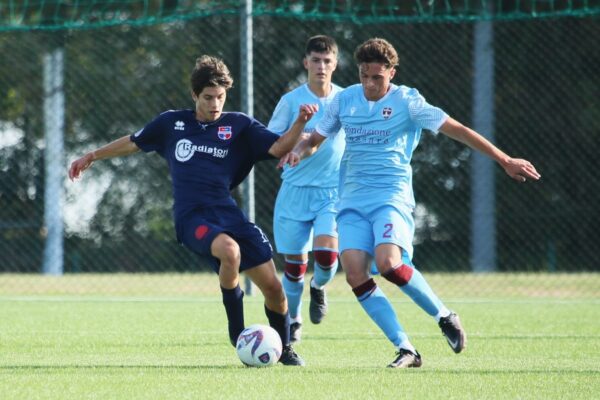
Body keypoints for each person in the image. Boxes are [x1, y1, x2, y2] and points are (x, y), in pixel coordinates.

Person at [280, 38, 541, 368]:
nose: (370, 84)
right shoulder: (345, 100)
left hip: (391, 198)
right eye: (364, 76)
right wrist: (298, 151)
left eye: (377, 77)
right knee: (355, 273)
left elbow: (457, 130)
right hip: (351, 202)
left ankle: (444, 315)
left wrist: (503, 159)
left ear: (392, 72)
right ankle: (406, 349)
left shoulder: (409, 101)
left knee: (388, 264)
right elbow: (315, 138)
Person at [68, 55, 318, 366]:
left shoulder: (238, 125)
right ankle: (237, 330)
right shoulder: (172, 124)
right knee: (230, 252)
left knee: (275, 290)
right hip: (192, 219)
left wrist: (300, 123)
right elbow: (133, 142)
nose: (215, 104)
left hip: (228, 213)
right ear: (194, 96)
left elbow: (280, 147)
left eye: (221, 97)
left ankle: (285, 350)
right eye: (208, 97)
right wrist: (92, 155)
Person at [267, 35, 345, 343]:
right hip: (295, 192)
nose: (321, 66)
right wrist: (297, 135)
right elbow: (272, 142)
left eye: (327, 61)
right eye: (315, 60)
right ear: (306, 63)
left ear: (335, 64)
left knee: (327, 256)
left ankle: (319, 287)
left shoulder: (345, 100)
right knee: (295, 267)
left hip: (332, 193)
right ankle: (294, 320)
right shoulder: (290, 101)